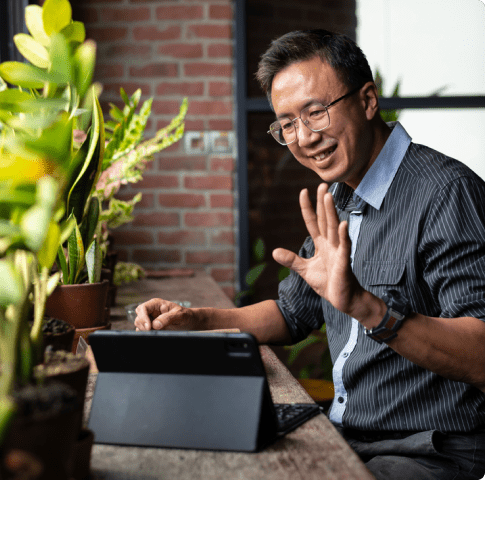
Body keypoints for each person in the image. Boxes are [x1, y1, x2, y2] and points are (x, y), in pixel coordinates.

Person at [134, 29, 485, 480]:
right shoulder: (339, 196)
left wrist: (368, 309)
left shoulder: (447, 194)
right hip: (349, 436)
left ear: (368, 100)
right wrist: (194, 320)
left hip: (428, 452)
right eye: (287, 124)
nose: (303, 137)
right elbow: (290, 313)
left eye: (315, 113)